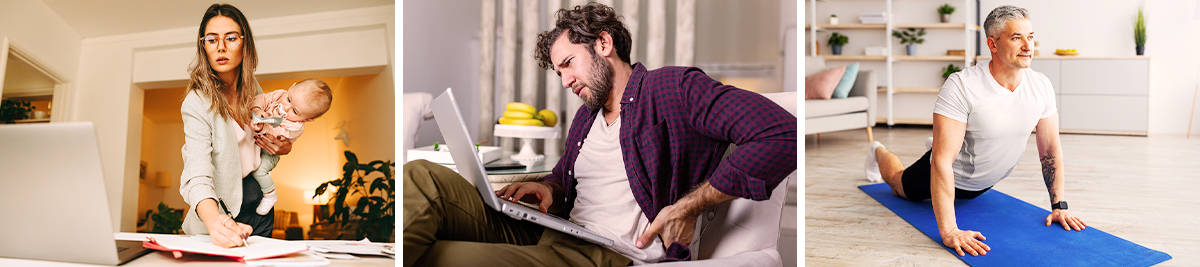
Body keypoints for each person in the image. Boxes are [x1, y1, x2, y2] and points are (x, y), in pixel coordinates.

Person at [403, 3, 796, 266]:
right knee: (421, 174)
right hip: (555, 232)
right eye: (558, 73)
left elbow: (782, 133)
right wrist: (549, 190)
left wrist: (688, 206)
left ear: (604, 44)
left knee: (444, 256)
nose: (565, 80)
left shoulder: (673, 88)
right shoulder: (587, 117)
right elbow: (566, 178)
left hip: (606, 253)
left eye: (569, 64)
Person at [864, 5, 1088, 257]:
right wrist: (949, 231)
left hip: (984, 180)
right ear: (992, 44)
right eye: (1017, 38)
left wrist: (1059, 206)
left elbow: (1049, 150)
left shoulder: (1041, 85)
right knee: (898, 183)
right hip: (953, 174)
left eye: (1031, 37)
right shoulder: (962, 85)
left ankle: (948, 139)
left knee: (948, 148)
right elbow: (941, 161)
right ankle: (878, 151)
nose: (1028, 46)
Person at [178, 3, 294, 248]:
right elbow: (196, 174)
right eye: (212, 40)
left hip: (259, 208)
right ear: (203, 46)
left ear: (245, 43)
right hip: (219, 213)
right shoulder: (196, 102)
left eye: (230, 38)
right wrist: (214, 220)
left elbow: (260, 144)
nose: (221, 47)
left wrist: (281, 147)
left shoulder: (254, 89)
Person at [247, 79, 334, 215]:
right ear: (291, 87)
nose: (285, 108)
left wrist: (261, 124)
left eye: (294, 111)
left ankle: (270, 195)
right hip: (256, 141)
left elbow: (273, 134)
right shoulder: (280, 95)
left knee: (259, 170)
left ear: (306, 119)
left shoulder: (295, 127)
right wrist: (257, 109)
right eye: (289, 99)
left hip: (269, 152)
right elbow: (261, 99)